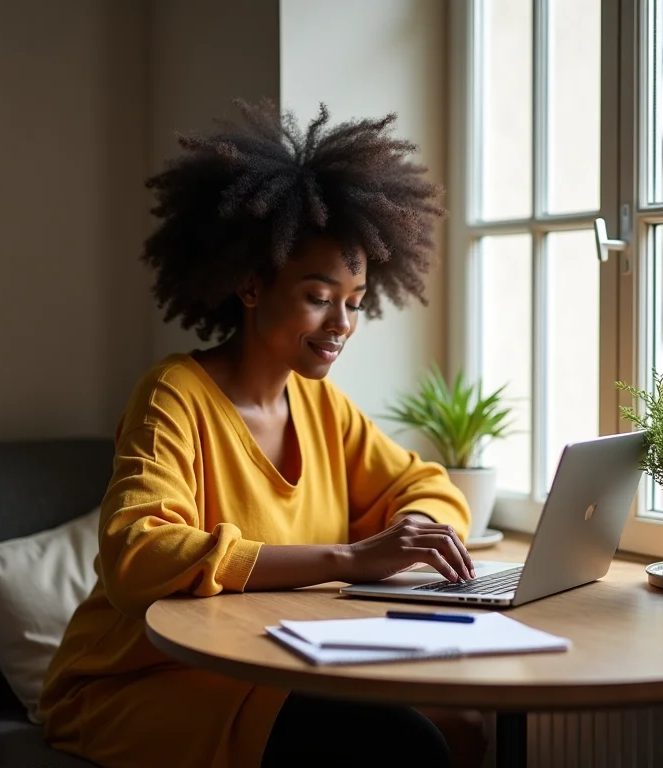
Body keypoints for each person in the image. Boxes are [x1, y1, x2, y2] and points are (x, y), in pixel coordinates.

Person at [39, 99, 487, 768]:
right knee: (402, 744)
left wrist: (415, 530)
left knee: (467, 725)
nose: (341, 323)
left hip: (274, 664)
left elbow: (425, 486)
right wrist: (348, 558)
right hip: (142, 680)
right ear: (251, 286)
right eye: (317, 294)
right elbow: (139, 554)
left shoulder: (321, 404)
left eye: (356, 302)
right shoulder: (174, 395)